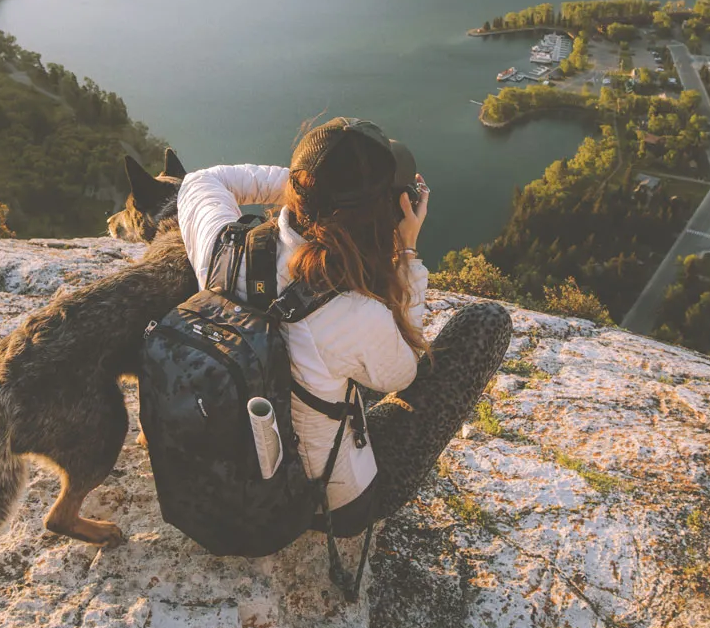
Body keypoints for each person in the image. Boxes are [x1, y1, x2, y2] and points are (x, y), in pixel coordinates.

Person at [176, 117, 513, 537]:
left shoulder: (222, 249)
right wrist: (407, 251)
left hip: (237, 463)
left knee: (334, 363)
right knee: (486, 324)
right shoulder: (352, 311)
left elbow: (201, 181)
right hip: (328, 504)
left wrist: (313, 189)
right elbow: (404, 373)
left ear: (298, 187)